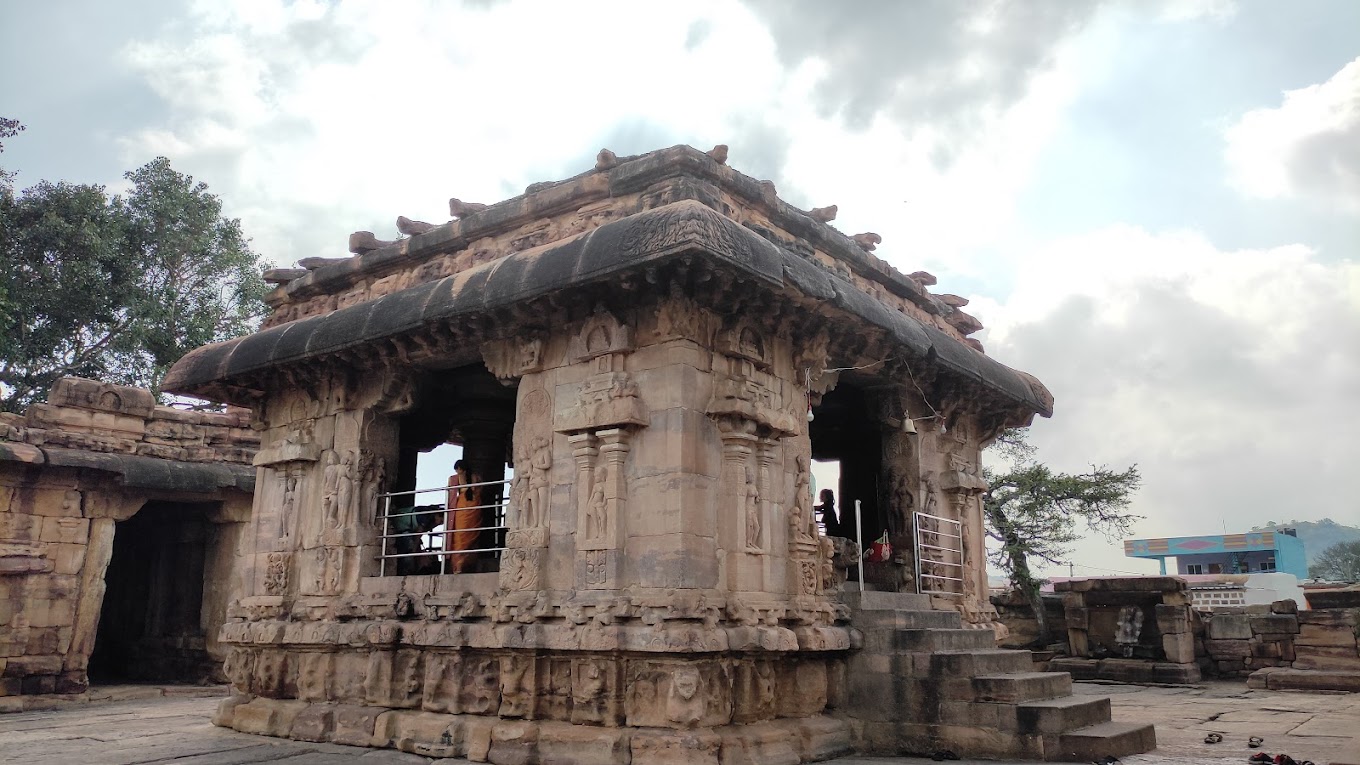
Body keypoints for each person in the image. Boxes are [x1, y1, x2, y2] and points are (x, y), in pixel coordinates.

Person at [446, 460, 484, 573]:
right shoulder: (473, 477)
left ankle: (461, 565)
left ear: (461, 468)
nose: (457, 472)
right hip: (467, 507)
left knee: (463, 536)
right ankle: (459, 565)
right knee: (459, 536)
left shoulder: (464, 478)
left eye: (458, 469)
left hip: (468, 507)